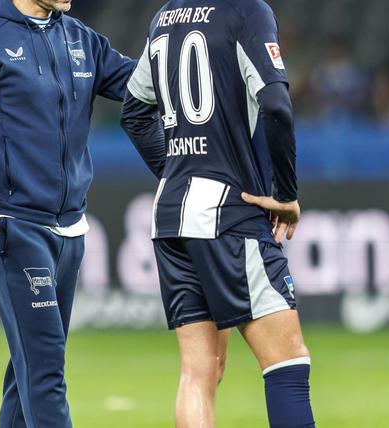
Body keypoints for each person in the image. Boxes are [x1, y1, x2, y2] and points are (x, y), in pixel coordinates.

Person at [0, 0, 133, 426]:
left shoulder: (81, 39)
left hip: (71, 227)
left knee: (30, 363)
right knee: (45, 369)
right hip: (13, 224)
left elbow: (140, 83)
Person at [120, 1, 315, 427]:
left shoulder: (165, 16)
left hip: (171, 214)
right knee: (288, 362)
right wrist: (285, 193)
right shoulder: (247, 12)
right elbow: (277, 106)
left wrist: (177, 173)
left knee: (199, 372)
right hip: (229, 214)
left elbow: (134, 112)